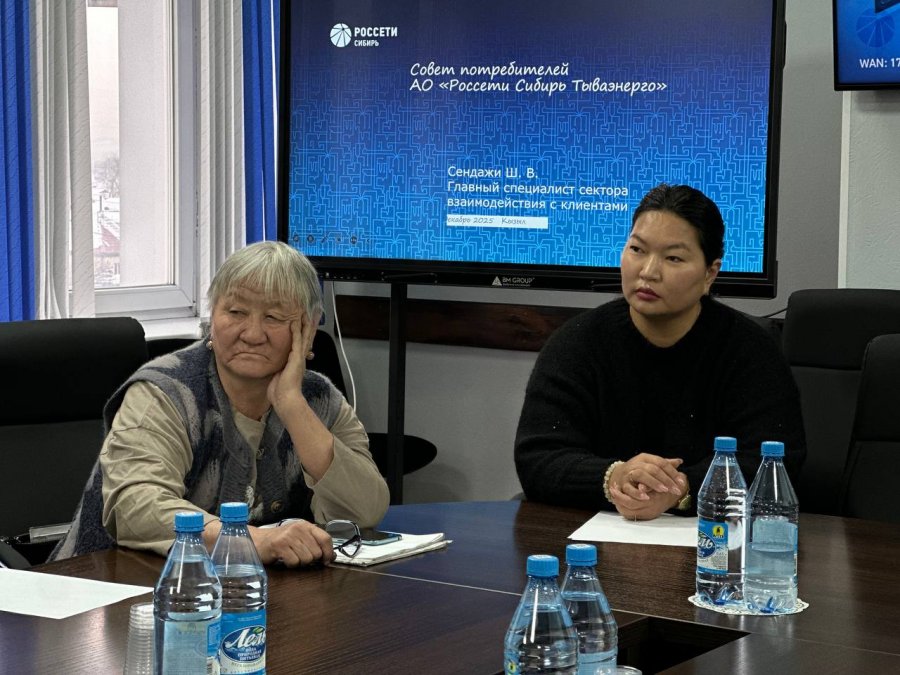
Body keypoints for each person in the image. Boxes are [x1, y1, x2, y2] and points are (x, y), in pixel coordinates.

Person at [53, 241, 389, 565]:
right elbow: (135, 507)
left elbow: (365, 511)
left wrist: (292, 405)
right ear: (213, 316)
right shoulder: (166, 393)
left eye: (273, 317)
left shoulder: (319, 399)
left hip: (244, 591)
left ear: (309, 328)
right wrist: (250, 541)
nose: (252, 334)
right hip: (107, 587)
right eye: (236, 312)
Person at [514, 184, 805, 520]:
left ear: (710, 273)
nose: (648, 271)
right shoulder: (578, 342)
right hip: (598, 535)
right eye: (637, 249)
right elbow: (538, 458)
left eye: (673, 258)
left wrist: (681, 489)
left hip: (717, 539)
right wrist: (615, 478)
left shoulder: (750, 351)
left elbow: (776, 464)